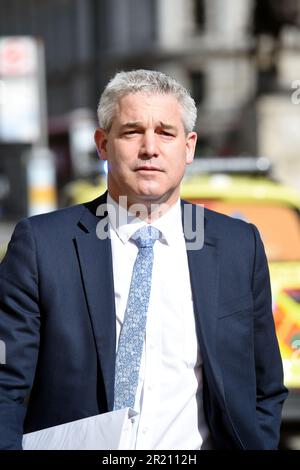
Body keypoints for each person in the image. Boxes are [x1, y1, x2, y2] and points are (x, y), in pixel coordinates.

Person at [0, 69, 287, 450]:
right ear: (103, 144)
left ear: (188, 147)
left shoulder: (239, 246)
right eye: (132, 131)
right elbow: (6, 387)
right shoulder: (41, 246)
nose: (149, 147)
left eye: (166, 132)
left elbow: (264, 385)